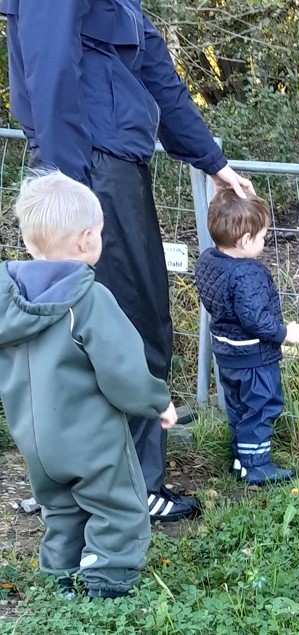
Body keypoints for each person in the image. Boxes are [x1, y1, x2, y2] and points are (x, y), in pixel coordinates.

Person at [2, 0, 256, 522]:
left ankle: (76, 481)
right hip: (91, 170)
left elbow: (160, 78)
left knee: (93, 321)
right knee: (128, 323)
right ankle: (131, 487)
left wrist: (213, 161)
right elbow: (49, 68)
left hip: (103, 166)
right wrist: (66, 187)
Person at [0, 172, 178, 599]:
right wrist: (157, 401)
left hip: (34, 439)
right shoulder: (89, 301)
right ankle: (106, 582)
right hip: (90, 437)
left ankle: (61, 576)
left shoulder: (9, 301)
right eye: (98, 232)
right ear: (84, 241)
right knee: (117, 505)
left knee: (61, 509)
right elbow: (122, 371)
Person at [195, 189, 299, 486]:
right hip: (253, 355)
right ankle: (256, 465)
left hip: (226, 352)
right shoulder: (248, 273)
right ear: (244, 240)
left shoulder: (208, 260)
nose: (264, 242)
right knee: (262, 404)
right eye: (261, 238)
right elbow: (255, 319)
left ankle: (240, 459)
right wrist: (285, 333)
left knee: (238, 405)